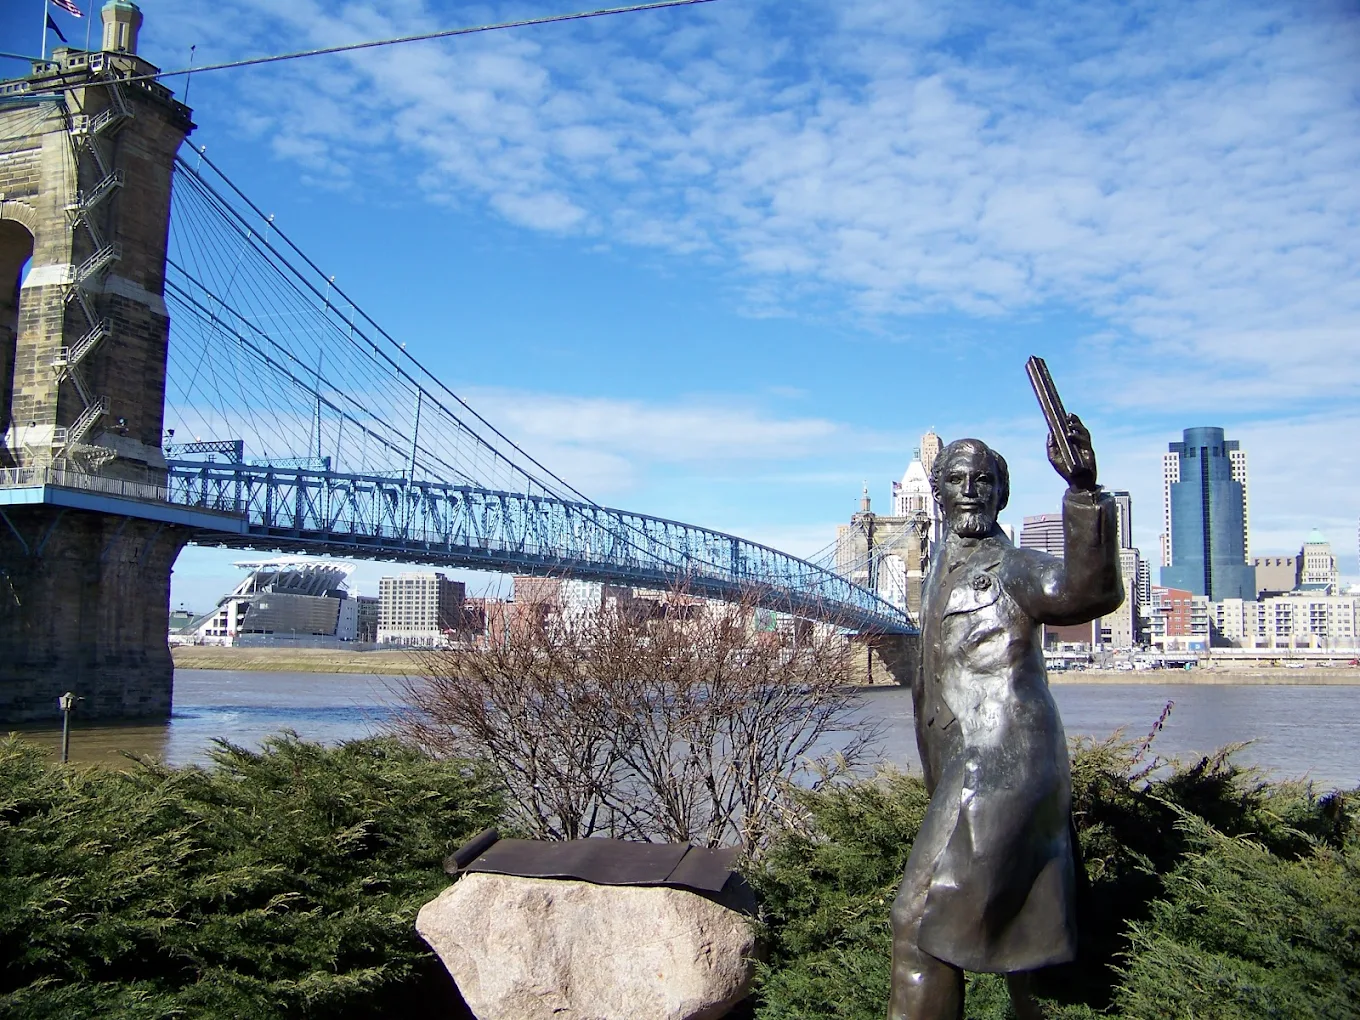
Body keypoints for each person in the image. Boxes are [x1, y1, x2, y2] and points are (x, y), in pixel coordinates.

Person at [889, 418, 1123, 1020]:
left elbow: (1086, 592)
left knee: (918, 920)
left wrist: (1083, 493)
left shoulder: (1012, 567)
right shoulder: (938, 565)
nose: (970, 491)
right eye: (957, 480)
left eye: (984, 481)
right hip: (968, 766)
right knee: (1027, 944)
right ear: (937, 493)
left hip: (1004, 765)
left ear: (1002, 494)